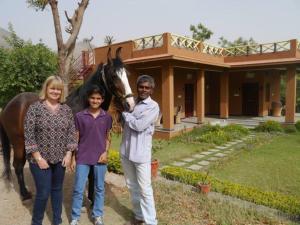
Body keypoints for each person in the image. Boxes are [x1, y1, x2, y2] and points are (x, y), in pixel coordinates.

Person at [24, 75, 77, 225]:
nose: (55, 92)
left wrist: (68, 154)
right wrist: (39, 158)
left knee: (57, 190)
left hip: (61, 158)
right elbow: (29, 134)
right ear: (46, 89)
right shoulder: (35, 108)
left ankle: (57, 221)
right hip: (39, 160)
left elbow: (71, 133)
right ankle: (36, 222)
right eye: (52, 88)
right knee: (43, 193)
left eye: (58, 90)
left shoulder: (66, 110)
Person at [70, 85, 112, 225]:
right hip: (82, 157)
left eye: (98, 98)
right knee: (78, 188)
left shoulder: (107, 117)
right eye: (93, 98)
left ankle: (97, 215)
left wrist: (106, 152)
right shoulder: (79, 116)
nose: (95, 100)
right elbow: (76, 137)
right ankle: (75, 217)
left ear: (102, 100)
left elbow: (108, 137)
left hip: (100, 158)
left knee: (99, 188)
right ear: (88, 99)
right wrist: (73, 157)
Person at [121, 75, 159, 225]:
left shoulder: (153, 106)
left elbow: (139, 125)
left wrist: (126, 115)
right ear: (137, 88)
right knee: (132, 186)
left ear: (151, 90)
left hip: (141, 155)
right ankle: (138, 216)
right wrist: (130, 116)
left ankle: (151, 222)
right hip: (126, 152)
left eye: (147, 87)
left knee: (145, 189)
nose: (143, 89)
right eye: (141, 87)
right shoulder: (132, 103)